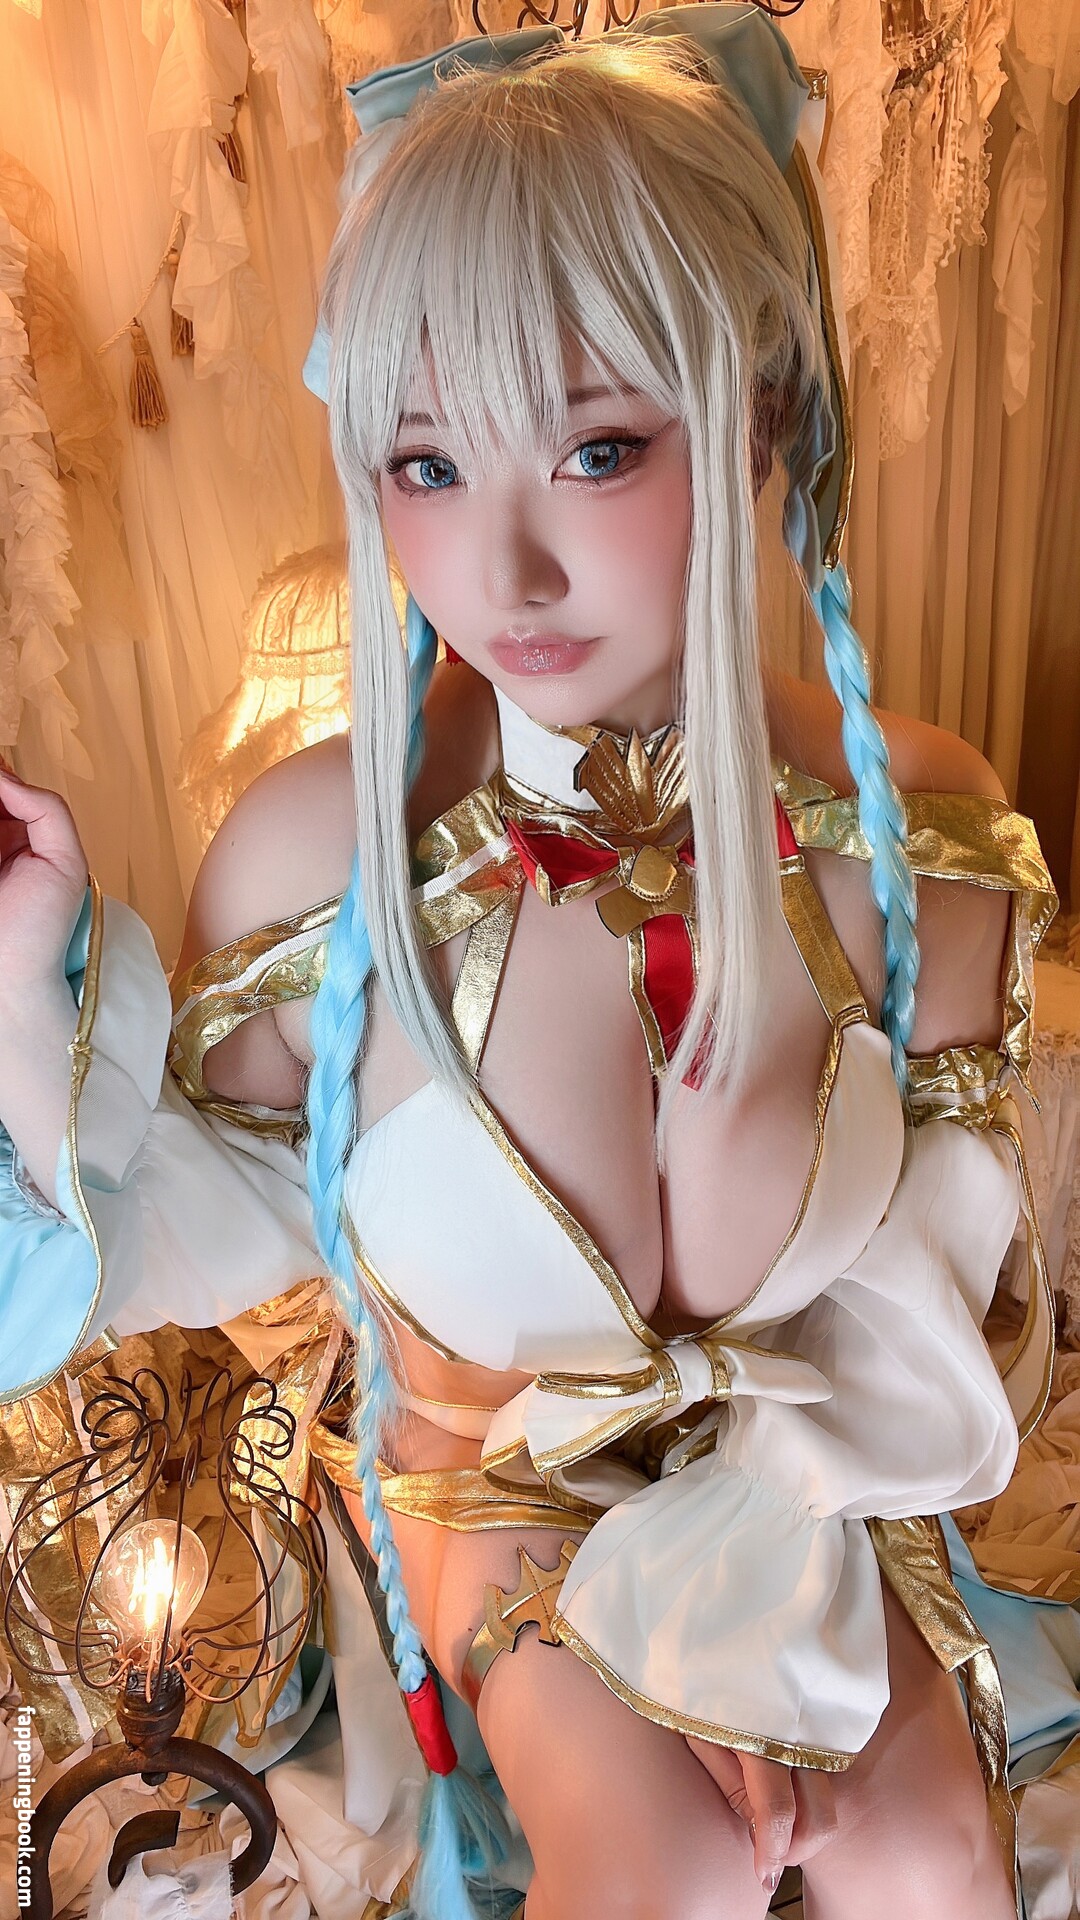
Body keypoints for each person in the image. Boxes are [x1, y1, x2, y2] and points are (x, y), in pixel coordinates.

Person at [0, 11, 1060, 1918]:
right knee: (663, 1870)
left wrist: (744, 1598)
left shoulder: (921, 836)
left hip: (811, 1482)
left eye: (596, 448)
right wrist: (24, 1016)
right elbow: (198, 1216)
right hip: (494, 1504)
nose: (505, 571)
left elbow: (942, 1307)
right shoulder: (329, 862)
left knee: (931, 1861)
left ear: (764, 414)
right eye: (424, 462)